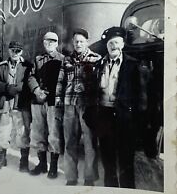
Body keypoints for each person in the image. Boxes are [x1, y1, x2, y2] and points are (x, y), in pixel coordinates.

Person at [85, 26, 144, 188]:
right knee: (108, 161)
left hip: (125, 119)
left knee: (126, 162)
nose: (114, 46)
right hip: (104, 117)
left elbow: (141, 97)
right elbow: (90, 93)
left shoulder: (133, 65)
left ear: (123, 44)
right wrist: (91, 117)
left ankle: (127, 190)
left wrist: (138, 123)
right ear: (106, 45)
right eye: (111, 43)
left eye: (117, 42)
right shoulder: (99, 65)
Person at [55, 28, 101, 186]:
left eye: (81, 41)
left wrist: (87, 86)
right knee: (70, 142)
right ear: (73, 43)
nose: (78, 44)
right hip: (69, 106)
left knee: (90, 143)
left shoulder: (96, 59)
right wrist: (58, 104)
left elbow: (99, 84)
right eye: (76, 41)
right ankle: (71, 177)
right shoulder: (67, 60)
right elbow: (60, 83)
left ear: (87, 42)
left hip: (87, 107)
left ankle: (89, 177)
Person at [0, 41, 33, 171]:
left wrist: (19, 88)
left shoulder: (27, 65)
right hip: (5, 103)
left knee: (22, 132)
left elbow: (30, 81)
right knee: (3, 131)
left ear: (21, 52)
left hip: (20, 103)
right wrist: (6, 87)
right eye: (12, 50)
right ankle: (1, 159)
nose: (15, 53)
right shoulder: (1, 66)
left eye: (18, 51)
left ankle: (24, 161)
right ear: (9, 51)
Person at [28, 32, 64, 179]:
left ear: (57, 43)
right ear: (43, 43)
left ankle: (53, 167)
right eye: (47, 41)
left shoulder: (62, 59)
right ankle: (42, 164)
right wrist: (36, 90)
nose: (50, 44)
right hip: (38, 101)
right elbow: (31, 76)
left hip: (52, 103)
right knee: (37, 133)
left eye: (53, 41)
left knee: (54, 134)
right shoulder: (38, 59)